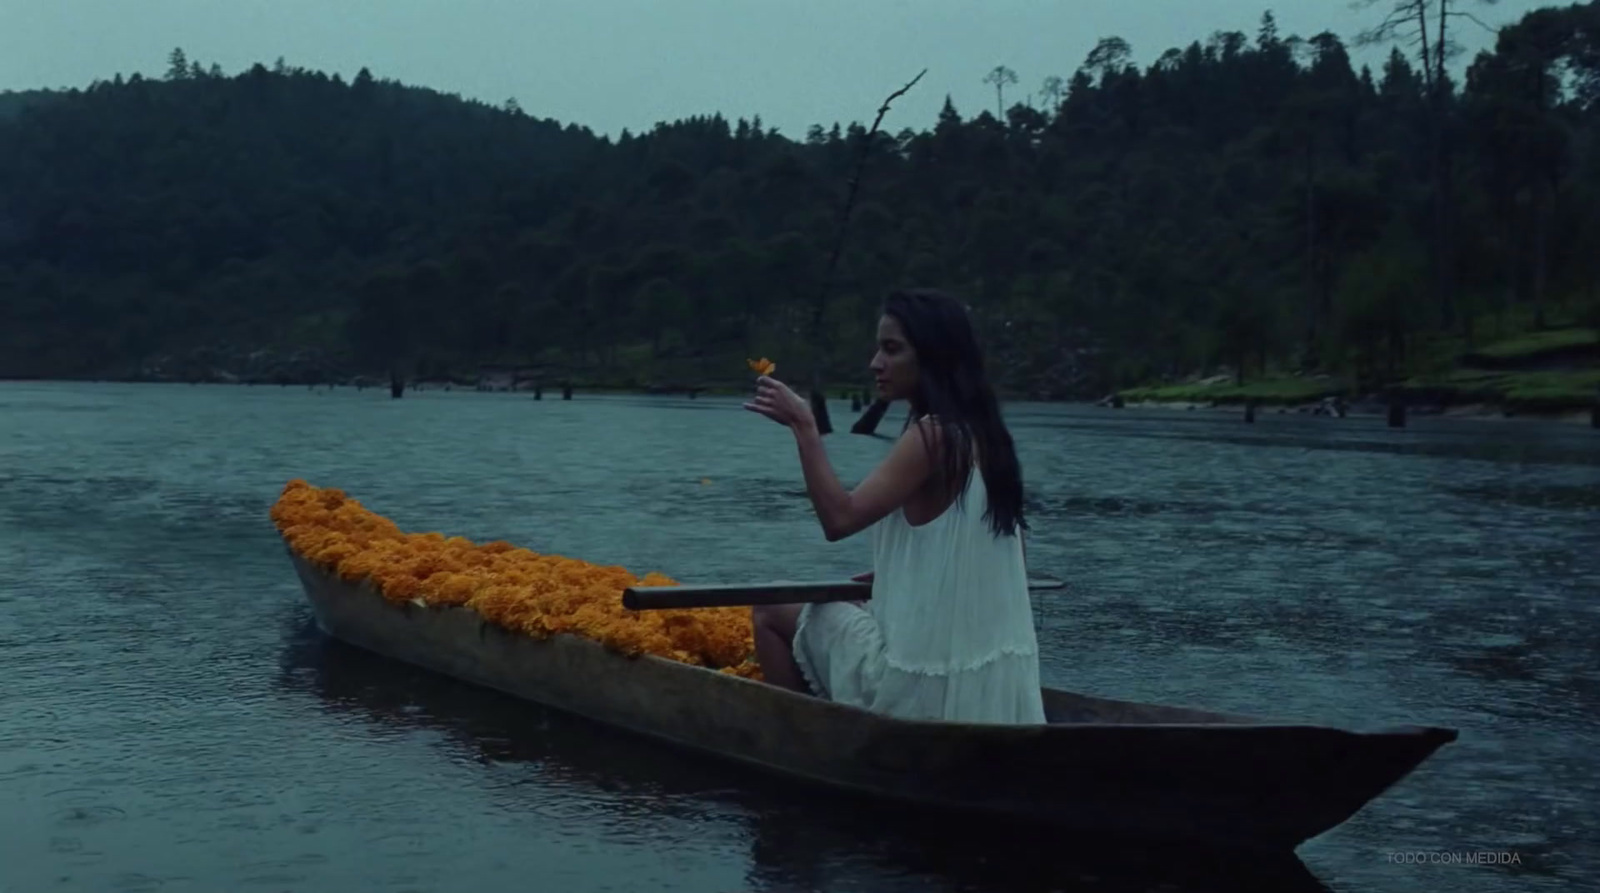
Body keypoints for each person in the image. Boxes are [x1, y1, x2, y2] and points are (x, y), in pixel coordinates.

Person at [743, 288, 1047, 724]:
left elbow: (839, 519)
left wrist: (804, 426)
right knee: (850, 608)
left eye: (892, 349)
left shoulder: (933, 436)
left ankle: (803, 739)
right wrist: (899, 576)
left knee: (770, 608)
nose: (875, 364)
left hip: (917, 691)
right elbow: (1003, 556)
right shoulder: (990, 438)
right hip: (998, 692)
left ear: (932, 356)